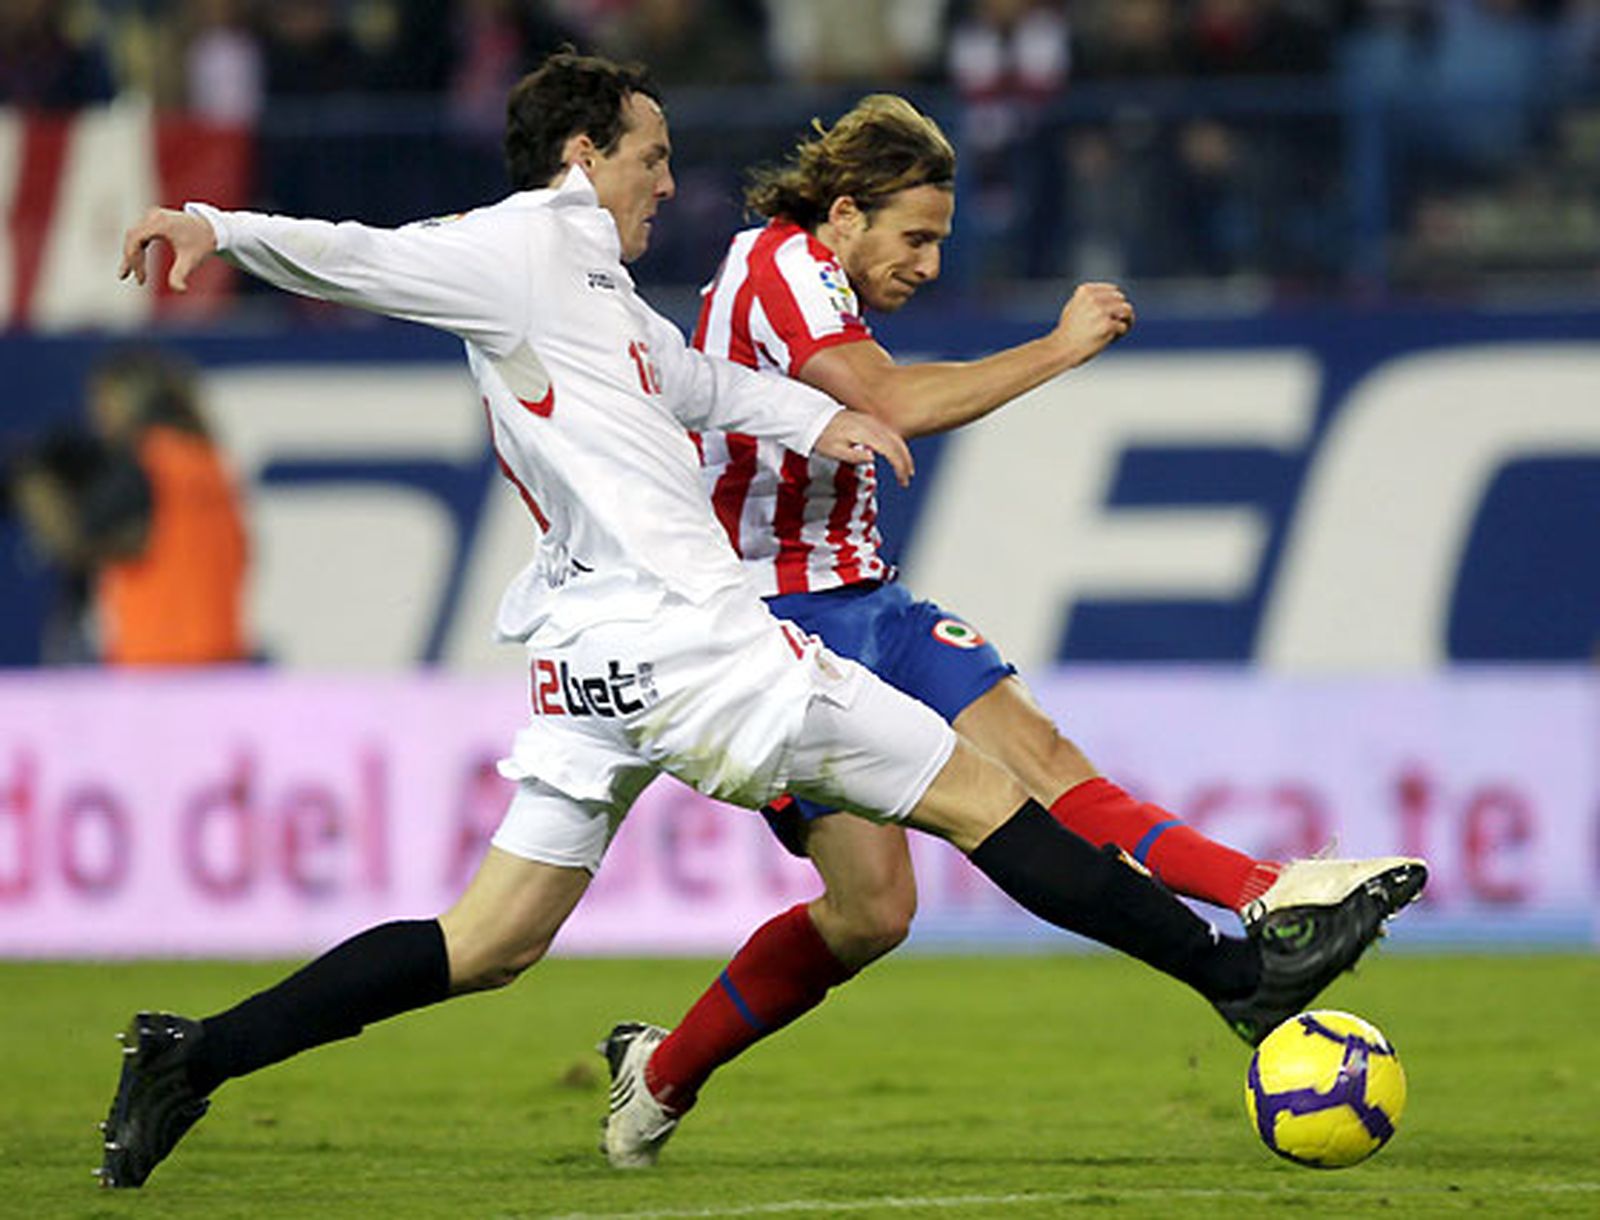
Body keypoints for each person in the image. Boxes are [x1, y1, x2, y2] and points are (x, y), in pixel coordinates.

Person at [96, 52, 1420, 1190]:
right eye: (652, 156)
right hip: (695, 642)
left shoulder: (596, 296)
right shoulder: (515, 248)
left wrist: (821, 417)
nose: (668, 184)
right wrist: (219, 225)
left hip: (588, 659)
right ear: (581, 154)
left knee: (486, 942)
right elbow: (367, 259)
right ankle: (1233, 976)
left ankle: (195, 1055)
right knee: (981, 795)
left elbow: (701, 382)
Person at [599, 93, 1428, 1167]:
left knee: (1038, 755)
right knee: (871, 910)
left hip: (865, 600)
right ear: (843, 214)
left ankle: (1270, 892)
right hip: (766, 631)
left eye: (941, 240)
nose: (930, 265)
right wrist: (1057, 348)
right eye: (917, 237)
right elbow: (885, 401)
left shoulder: (813, 281)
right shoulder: (777, 259)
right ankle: (659, 1077)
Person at [9, 348, 250, 666]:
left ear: (124, 398)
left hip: (160, 665)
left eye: (101, 400)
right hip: (222, 658)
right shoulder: (205, 459)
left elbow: (77, 542)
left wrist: (32, 485)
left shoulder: (144, 462)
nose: (97, 416)